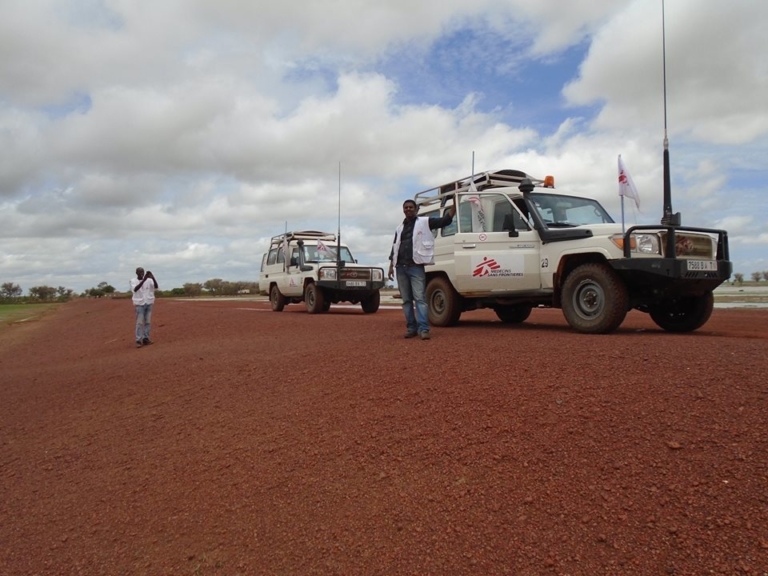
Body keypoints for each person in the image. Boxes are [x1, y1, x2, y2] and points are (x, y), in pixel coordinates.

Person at [388, 196, 456, 340]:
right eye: (405, 207)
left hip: (416, 267)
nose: (408, 209)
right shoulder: (399, 228)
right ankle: (411, 328)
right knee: (406, 300)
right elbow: (395, 247)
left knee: (420, 298)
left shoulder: (425, 222)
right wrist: (390, 266)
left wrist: (454, 205)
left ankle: (424, 329)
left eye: (411, 207)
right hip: (400, 267)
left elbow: (446, 220)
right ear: (403, 210)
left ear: (416, 209)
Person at [130, 267, 158, 348]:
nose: (141, 273)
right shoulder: (133, 281)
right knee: (139, 323)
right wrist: (144, 280)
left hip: (149, 302)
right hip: (139, 304)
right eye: (140, 272)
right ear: (136, 273)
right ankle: (138, 340)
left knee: (148, 322)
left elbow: (156, 286)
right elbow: (135, 289)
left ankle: (146, 338)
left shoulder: (149, 280)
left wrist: (152, 277)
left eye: (142, 272)